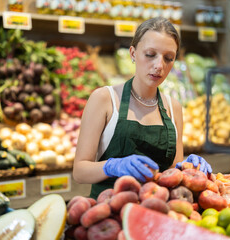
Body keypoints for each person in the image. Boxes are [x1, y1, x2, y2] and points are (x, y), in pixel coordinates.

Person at [73, 17, 212, 199]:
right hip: (109, 211)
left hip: (159, 208)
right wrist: (113, 166)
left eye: (168, 58)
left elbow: (172, 172)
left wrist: (188, 167)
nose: (159, 66)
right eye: (150, 54)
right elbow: (80, 171)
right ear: (132, 53)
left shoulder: (173, 107)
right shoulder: (104, 99)